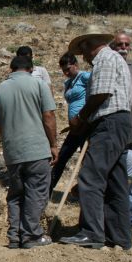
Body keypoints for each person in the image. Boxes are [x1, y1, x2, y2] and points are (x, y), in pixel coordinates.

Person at [60, 29, 132, 250]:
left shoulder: (105, 59)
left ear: (91, 45)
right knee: (115, 183)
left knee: (90, 177)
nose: (83, 57)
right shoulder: (112, 59)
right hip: (118, 123)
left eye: (83, 51)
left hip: (109, 123)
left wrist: (81, 118)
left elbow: (101, 94)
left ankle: (91, 233)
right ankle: (119, 236)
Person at [0, 56, 57, 249]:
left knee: (15, 194)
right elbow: (48, 116)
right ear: (31, 68)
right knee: (36, 192)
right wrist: (54, 144)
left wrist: (8, 144)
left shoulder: (1, 89)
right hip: (36, 149)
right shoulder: (38, 84)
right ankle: (31, 236)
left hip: (13, 151)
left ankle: (14, 236)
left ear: (11, 69)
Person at [49, 53, 90, 195]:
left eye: (68, 69)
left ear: (76, 65)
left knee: (87, 161)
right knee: (62, 157)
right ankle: (47, 190)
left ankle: (85, 192)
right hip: (74, 128)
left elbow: (96, 94)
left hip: (86, 125)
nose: (66, 73)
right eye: (64, 70)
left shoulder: (85, 77)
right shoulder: (68, 83)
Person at [112, 31, 132, 157]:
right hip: (120, 124)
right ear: (113, 47)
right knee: (121, 160)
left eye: (126, 44)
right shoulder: (109, 65)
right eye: (120, 44)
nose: (124, 47)